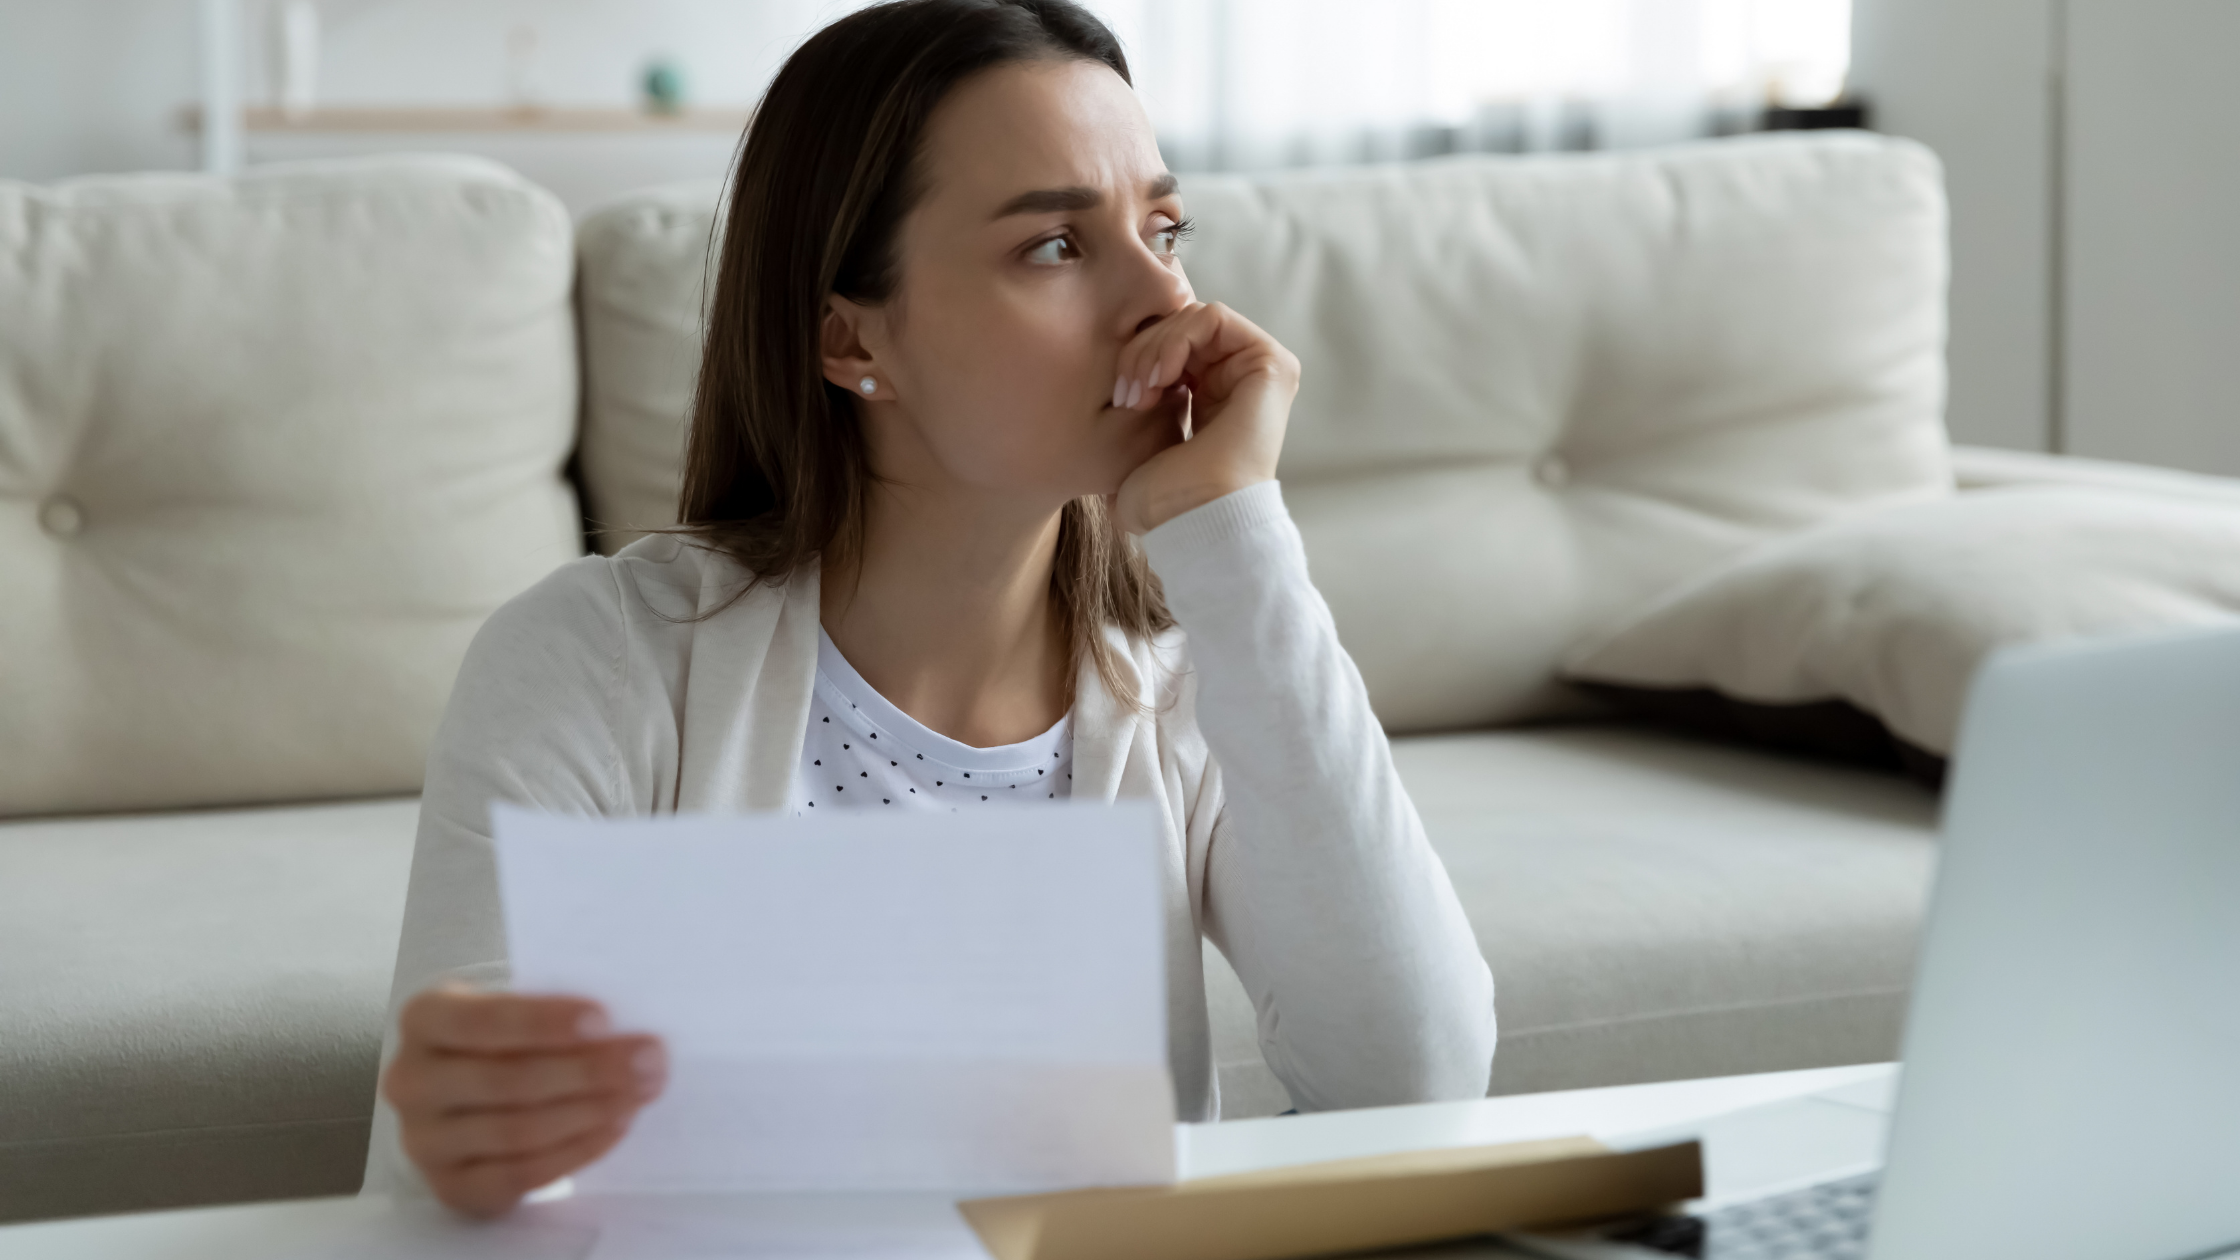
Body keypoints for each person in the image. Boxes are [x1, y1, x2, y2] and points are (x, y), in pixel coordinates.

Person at [365, 0, 1495, 1219]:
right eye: (1055, 247)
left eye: (1163, 228)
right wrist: (473, 1133)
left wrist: (1233, 532)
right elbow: (453, 1201)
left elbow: (1417, 1081)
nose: (1163, 300)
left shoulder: (1192, 676)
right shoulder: (593, 663)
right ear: (852, 341)